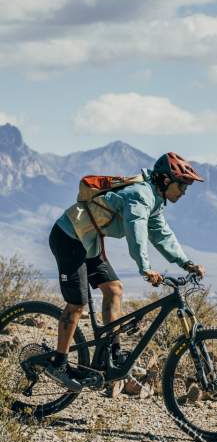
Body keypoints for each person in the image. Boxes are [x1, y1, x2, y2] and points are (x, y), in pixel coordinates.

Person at [46, 152, 206, 391]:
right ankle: (57, 363)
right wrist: (146, 268)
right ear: (165, 181)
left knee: (114, 290)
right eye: (182, 185)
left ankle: (111, 354)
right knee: (77, 304)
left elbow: (161, 234)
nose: (184, 192)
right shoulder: (140, 196)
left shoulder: (155, 200)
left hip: (89, 241)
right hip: (68, 237)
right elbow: (136, 231)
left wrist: (187, 263)